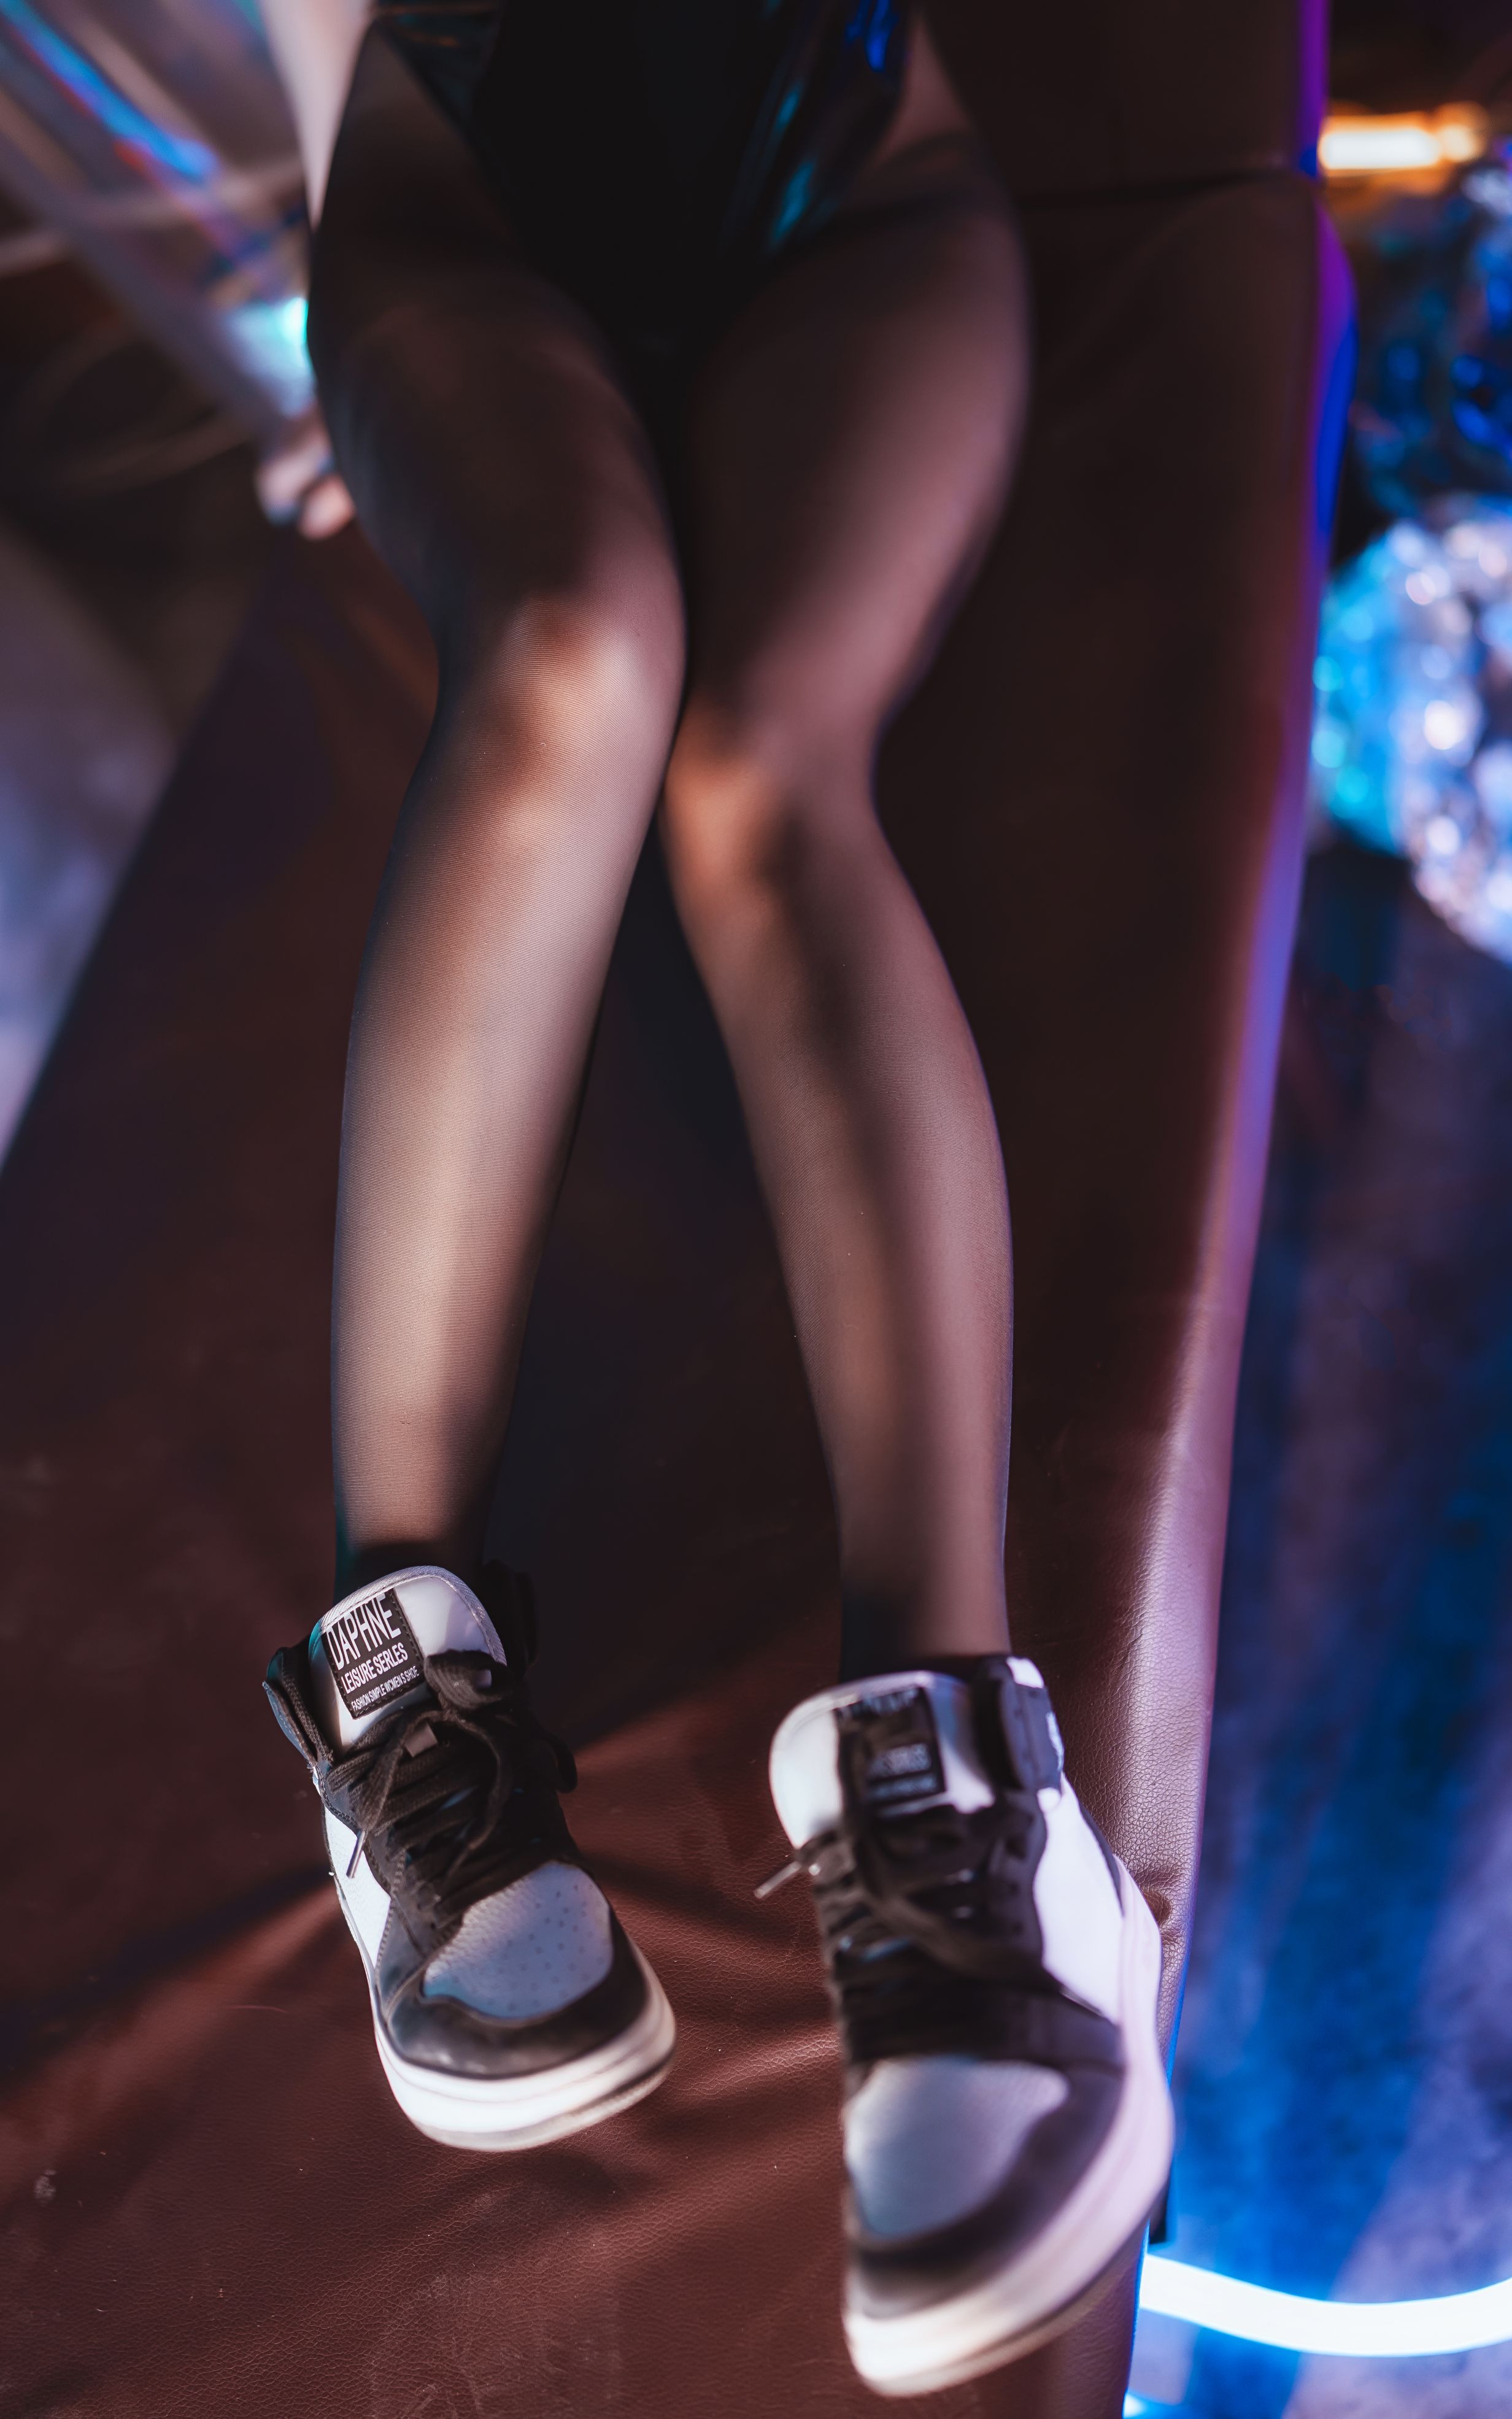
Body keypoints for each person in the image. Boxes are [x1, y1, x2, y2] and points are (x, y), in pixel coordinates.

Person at [256, 0, 1173, 2392]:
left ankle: (973, 1802)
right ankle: (401, 1691)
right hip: (458, 192)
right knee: (571, 657)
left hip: (845, 176)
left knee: (759, 770)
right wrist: (334, 320)